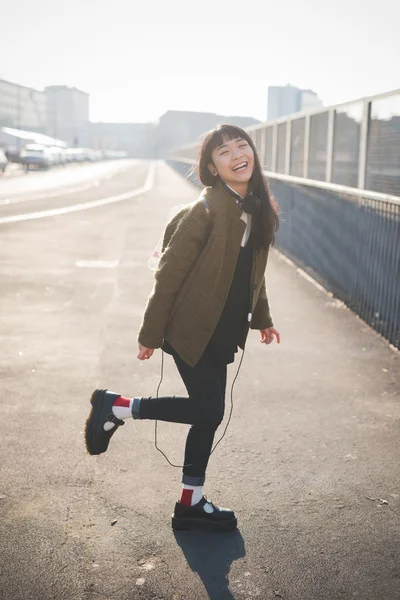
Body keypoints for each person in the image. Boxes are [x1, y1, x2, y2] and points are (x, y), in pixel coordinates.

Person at [84, 124, 280, 532]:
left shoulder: (256, 208)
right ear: (211, 167)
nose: (236, 154)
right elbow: (169, 276)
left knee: (207, 415)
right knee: (209, 411)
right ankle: (119, 408)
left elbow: (252, 276)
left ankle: (189, 501)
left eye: (242, 145)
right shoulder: (205, 210)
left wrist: (263, 320)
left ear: (253, 154)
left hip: (222, 330)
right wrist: (149, 335)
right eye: (224, 151)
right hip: (191, 328)